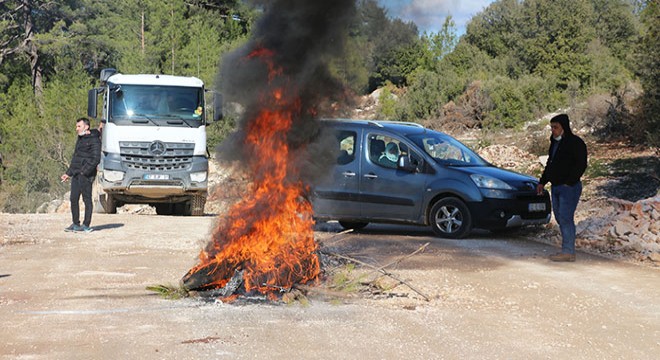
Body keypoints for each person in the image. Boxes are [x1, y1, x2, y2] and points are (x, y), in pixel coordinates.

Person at [537, 114, 588, 262]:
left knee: (565, 217)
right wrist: (542, 181)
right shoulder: (554, 143)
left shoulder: (576, 143)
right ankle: (568, 248)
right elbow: (550, 164)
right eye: (552, 127)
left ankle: (568, 251)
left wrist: (569, 182)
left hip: (569, 188)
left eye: (556, 127)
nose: (553, 130)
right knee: (560, 217)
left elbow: (581, 164)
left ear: (563, 127)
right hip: (556, 186)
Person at [61, 117, 101, 233]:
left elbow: (96, 159)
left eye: (79, 126)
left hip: (86, 175)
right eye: (76, 126)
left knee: (87, 199)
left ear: (86, 126)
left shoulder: (94, 139)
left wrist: (84, 172)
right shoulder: (80, 139)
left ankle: (86, 225)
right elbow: (75, 158)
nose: (76, 129)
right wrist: (68, 173)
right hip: (76, 174)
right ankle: (75, 223)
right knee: (73, 198)